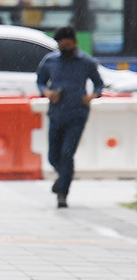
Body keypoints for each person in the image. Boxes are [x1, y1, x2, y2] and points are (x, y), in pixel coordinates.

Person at [36, 25, 104, 208]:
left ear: (74, 43)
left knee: (67, 153)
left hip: (77, 114)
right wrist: (47, 92)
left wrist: (91, 96)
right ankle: (64, 175)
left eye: (67, 45)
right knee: (53, 155)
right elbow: (40, 81)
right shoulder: (50, 61)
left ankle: (63, 193)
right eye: (61, 46)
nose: (64, 49)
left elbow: (99, 85)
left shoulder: (87, 63)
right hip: (56, 113)